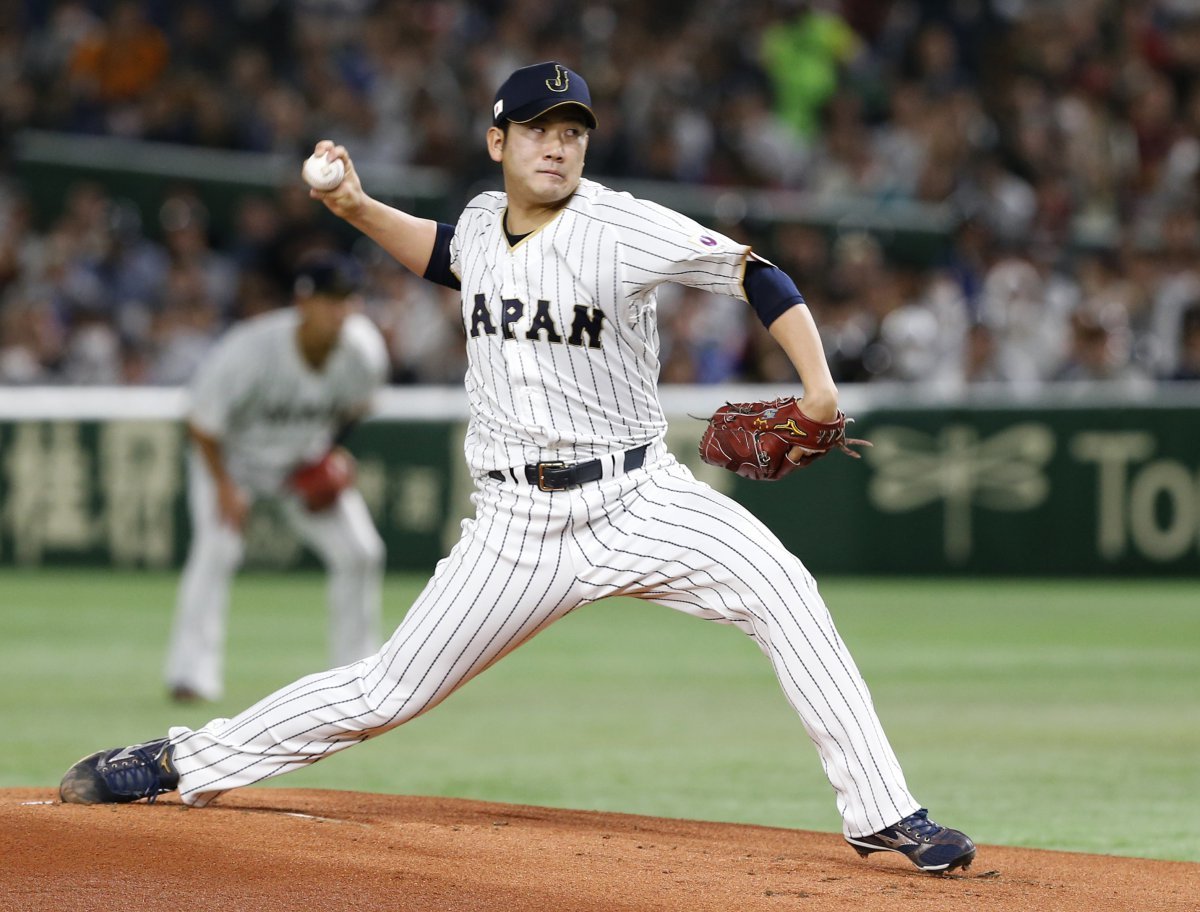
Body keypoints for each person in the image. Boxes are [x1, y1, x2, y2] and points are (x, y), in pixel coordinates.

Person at [61, 62, 976, 874]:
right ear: (499, 141)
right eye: (539, 129)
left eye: (572, 131)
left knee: (784, 592)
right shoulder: (481, 225)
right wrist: (354, 209)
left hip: (637, 496)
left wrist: (816, 388)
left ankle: (885, 814)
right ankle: (184, 760)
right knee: (385, 691)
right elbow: (445, 255)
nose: (558, 145)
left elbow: (756, 275)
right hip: (514, 528)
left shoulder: (620, 226)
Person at [162, 251, 388, 702]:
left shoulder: (363, 351)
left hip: (299, 463)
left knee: (362, 551)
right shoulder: (253, 349)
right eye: (329, 299)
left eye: (347, 299)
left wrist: (334, 451)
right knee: (216, 551)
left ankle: (359, 673)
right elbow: (202, 423)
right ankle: (191, 674)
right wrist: (225, 487)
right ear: (302, 303)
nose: (340, 310)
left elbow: (357, 407)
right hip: (233, 462)